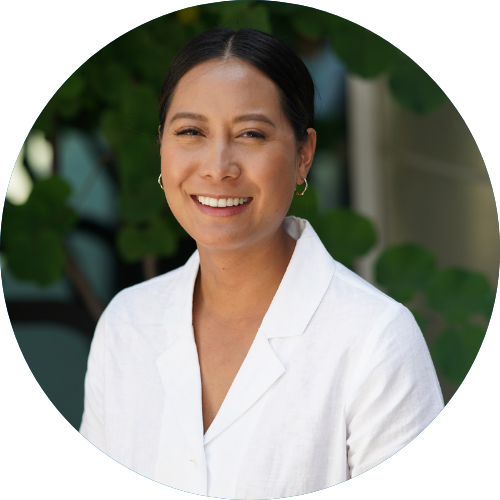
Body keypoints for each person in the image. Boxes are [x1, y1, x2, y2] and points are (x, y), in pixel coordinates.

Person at [80, 28, 443, 499]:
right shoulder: (126, 324)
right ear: (162, 148)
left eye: (251, 134)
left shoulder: (375, 340)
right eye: (191, 131)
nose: (218, 166)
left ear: (303, 156)